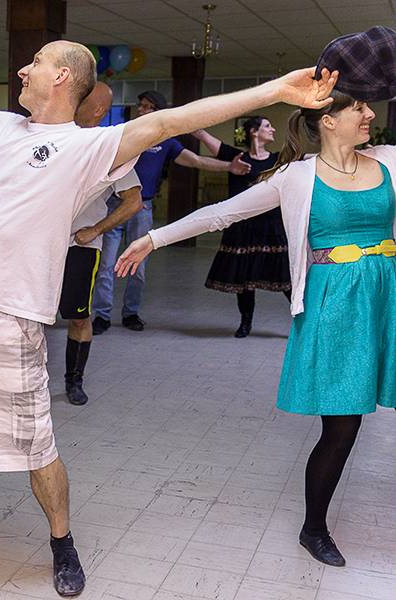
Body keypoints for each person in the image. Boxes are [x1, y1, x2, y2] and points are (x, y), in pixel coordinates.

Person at [0, 39, 337, 597]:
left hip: (12, 317)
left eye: (35, 62)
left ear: (62, 76)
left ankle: (62, 542)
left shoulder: (91, 147)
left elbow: (175, 120)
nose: (23, 69)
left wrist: (277, 90)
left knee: (35, 445)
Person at [116, 92, 392, 568]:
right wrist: (154, 237)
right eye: (359, 109)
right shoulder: (296, 177)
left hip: (387, 297)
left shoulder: (388, 161)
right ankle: (314, 528)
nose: (370, 114)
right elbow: (224, 213)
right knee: (343, 424)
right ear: (328, 121)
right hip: (334, 306)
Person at [91, 90, 252, 335]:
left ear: (158, 112)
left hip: (142, 208)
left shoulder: (166, 142)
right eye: (140, 105)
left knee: (137, 265)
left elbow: (195, 160)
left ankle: (131, 313)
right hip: (114, 206)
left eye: (147, 107)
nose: (141, 110)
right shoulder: (124, 133)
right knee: (106, 265)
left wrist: (229, 166)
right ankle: (101, 316)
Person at [60, 83, 143, 406]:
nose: (73, 100)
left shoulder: (110, 149)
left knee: (79, 317)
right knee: (25, 314)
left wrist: (95, 229)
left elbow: (133, 201)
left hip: (80, 247)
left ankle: (74, 381)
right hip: (38, 245)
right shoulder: (55, 137)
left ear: (97, 110)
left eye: (82, 98)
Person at [192, 118, 292, 337]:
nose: (273, 129)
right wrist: (185, 120)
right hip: (243, 228)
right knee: (245, 280)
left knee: (285, 279)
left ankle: (304, 321)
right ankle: (246, 323)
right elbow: (202, 134)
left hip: (270, 227)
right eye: (268, 126)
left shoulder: (278, 159)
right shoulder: (236, 157)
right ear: (254, 132)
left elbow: (311, 159)